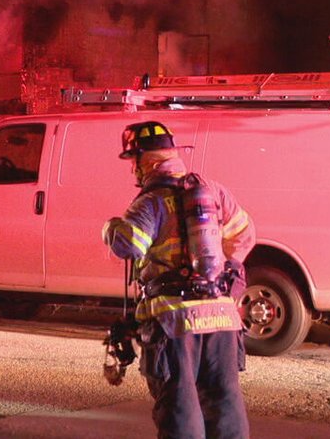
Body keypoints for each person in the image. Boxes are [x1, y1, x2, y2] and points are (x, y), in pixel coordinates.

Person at [101, 121, 255, 439]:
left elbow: (129, 244)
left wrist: (110, 228)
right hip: (222, 316)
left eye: (134, 162)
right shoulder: (213, 191)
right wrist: (219, 273)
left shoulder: (151, 202)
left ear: (146, 159)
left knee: (179, 405)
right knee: (224, 400)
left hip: (175, 321)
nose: (133, 172)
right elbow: (245, 235)